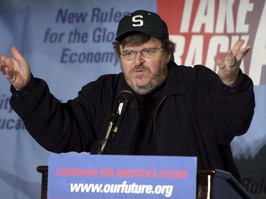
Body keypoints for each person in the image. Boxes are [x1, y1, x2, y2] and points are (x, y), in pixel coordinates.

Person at [0, 10, 255, 181]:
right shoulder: (106, 92)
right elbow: (63, 134)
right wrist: (27, 90)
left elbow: (231, 123)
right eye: (129, 53)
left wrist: (230, 82)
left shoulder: (197, 83)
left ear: (167, 53)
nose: (138, 62)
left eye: (148, 51)